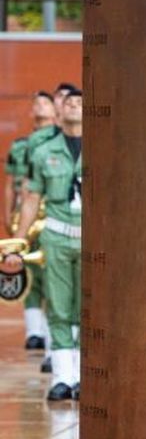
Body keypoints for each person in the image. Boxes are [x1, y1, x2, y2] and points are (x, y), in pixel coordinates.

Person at [5, 89, 82, 400]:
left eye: (80, 102)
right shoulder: (42, 152)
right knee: (60, 306)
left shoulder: (105, 147)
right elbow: (30, 199)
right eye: (69, 102)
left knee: (85, 309)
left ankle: (80, 372)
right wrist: (18, 243)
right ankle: (63, 377)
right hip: (58, 235)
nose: (75, 106)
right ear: (59, 111)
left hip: (92, 240)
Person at [5, 90, 58, 352]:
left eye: (45, 102)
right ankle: (34, 330)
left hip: (52, 214)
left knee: (53, 275)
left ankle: (50, 335)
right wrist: (9, 218)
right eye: (35, 103)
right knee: (29, 270)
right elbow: (15, 184)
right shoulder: (22, 145)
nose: (39, 106)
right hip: (25, 215)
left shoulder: (60, 142)